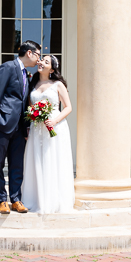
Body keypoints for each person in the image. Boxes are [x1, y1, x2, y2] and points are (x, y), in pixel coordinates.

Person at [0, 40, 41, 214]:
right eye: (38, 54)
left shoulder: (27, 74)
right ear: (29, 53)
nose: (38, 59)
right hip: (2, 123)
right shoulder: (8, 67)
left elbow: (25, 101)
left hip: (19, 127)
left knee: (17, 164)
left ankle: (16, 199)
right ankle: (2, 200)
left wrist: (26, 126)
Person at [21, 54, 75, 214]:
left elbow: (68, 107)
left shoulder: (58, 85)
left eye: (46, 62)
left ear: (52, 69)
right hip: (36, 128)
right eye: (41, 60)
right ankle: (36, 199)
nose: (41, 63)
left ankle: (54, 200)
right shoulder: (33, 84)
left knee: (53, 160)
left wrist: (55, 121)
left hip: (55, 127)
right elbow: (30, 107)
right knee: (37, 160)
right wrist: (31, 120)